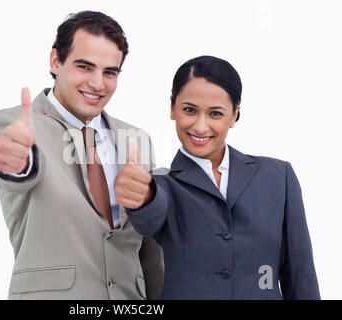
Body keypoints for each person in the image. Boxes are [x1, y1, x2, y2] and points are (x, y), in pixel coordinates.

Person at [0, 11, 163, 299]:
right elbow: (15, 172)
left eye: (110, 72)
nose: (98, 83)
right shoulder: (11, 125)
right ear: (55, 61)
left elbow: (150, 246)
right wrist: (15, 161)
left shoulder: (136, 140)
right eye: (85, 67)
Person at [114, 55, 320, 299]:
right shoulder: (161, 186)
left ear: (234, 115)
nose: (200, 127)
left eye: (215, 114)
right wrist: (144, 196)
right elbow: (150, 218)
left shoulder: (278, 177)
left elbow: (300, 274)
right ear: (172, 108)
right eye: (189, 110)